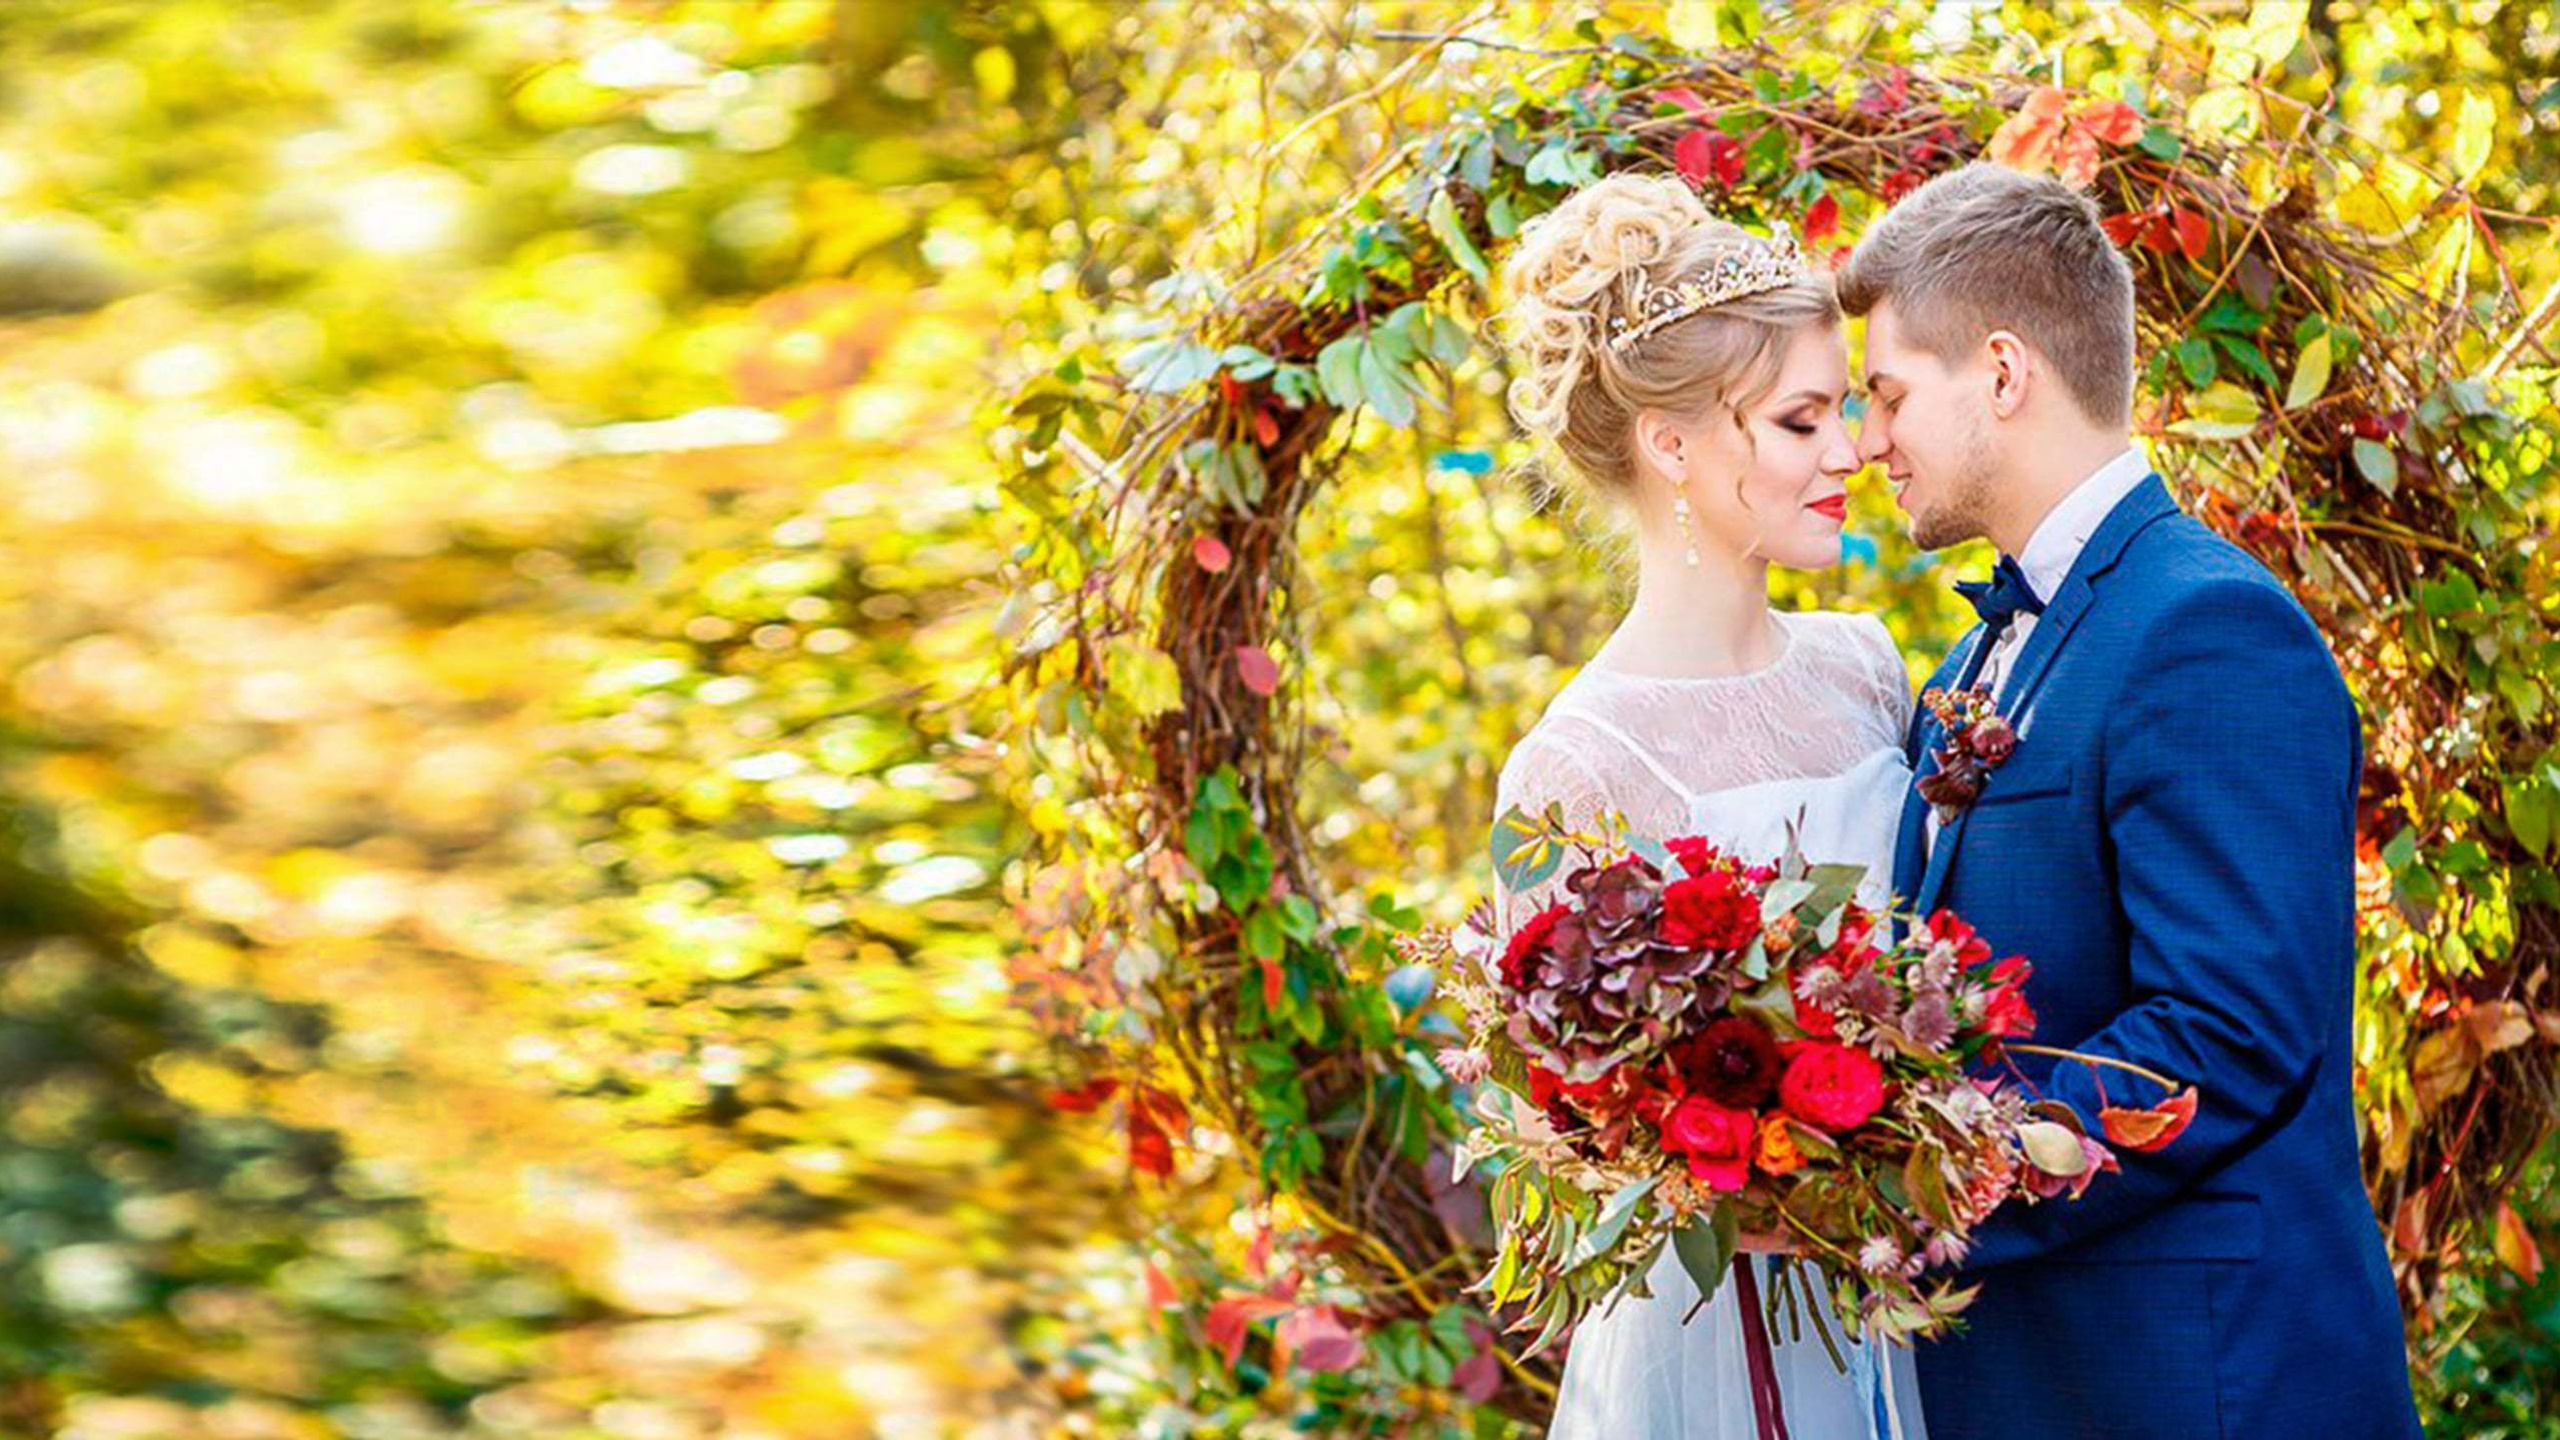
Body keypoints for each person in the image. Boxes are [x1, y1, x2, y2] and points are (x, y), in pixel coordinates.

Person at [1838, 160, 2423, 1440]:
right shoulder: (1975, 654)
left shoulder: (2204, 627)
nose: (1865, 440)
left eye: (1885, 395)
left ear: (2001, 373)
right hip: (2045, 1376)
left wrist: (1915, 1182)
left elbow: (2229, 1030)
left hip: (2195, 1383)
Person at [1488, 169, 1927, 1440]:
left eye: (1844, 410)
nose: (1850, 452)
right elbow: (1564, 1132)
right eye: (1800, 422)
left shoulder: (1865, 667)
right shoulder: (1571, 769)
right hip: (1721, 1344)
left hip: (1924, 1297)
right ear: (1670, 445)